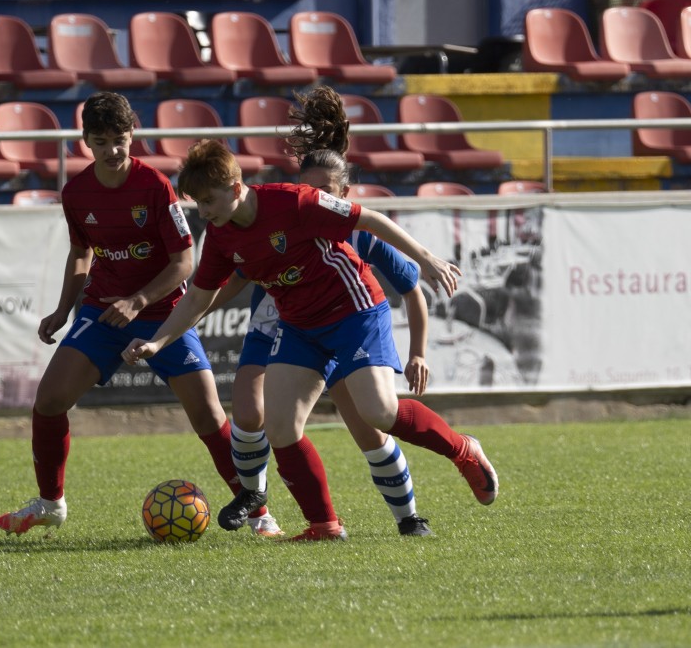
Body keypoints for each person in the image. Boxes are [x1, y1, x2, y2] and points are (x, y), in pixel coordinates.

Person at [123, 137, 499, 542]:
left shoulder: (294, 201)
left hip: (354, 311)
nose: (205, 211)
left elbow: (368, 219)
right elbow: (199, 294)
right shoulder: (221, 235)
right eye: (198, 202)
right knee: (281, 426)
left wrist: (426, 258)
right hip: (300, 326)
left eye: (209, 200)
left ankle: (463, 449)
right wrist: (159, 341)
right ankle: (325, 526)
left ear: (235, 188)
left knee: (378, 412)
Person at [0, 92, 281, 538]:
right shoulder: (76, 193)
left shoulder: (155, 187)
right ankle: (51, 503)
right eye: (102, 140)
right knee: (49, 401)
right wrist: (63, 308)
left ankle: (258, 512)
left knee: (208, 415)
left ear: (133, 136)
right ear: (85, 141)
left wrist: (138, 301)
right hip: (103, 311)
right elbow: (79, 254)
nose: (112, 150)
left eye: (120, 139)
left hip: (162, 312)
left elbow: (183, 264)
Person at [208, 89, 434, 537]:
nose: (315, 198)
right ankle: (260, 510)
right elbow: (234, 274)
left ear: (343, 194)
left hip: (340, 328)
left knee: (370, 427)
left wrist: (419, 351)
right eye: (308, 190)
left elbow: (412, 289)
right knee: (250, 413)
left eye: (325, 192)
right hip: (280, 326)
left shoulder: (361, 234)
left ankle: (408, 518)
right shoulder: (285, 216)